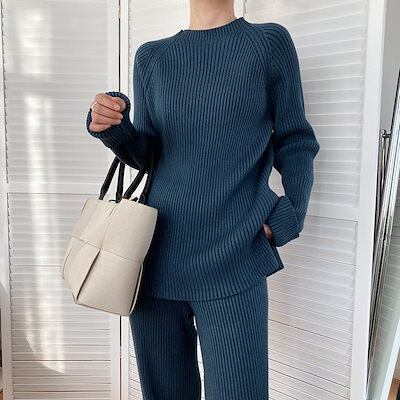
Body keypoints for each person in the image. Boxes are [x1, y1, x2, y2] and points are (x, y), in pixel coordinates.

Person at [86, 2, 320, 399]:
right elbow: (149, 154)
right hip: (153, 259)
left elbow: (295, 141)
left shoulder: (268, 43)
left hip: (235, 258)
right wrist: (113, 128)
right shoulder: (151, 57)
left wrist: (289, 216)